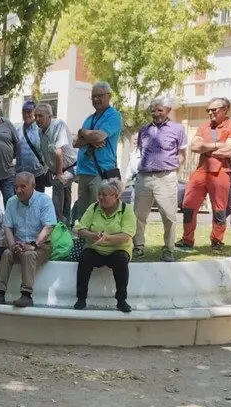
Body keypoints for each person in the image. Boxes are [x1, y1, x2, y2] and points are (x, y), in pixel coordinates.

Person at [179, 97, 231, 252]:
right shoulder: (204, 126)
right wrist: (216, 145)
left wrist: (205, 147)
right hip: (201, 170)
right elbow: (194, 147)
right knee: (188, 205)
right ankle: (187, 240)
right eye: (208, 110)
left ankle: (217, 241)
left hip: (222, 171)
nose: (210, 113)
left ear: (225, 109)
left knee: (219, 209)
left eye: (214, 110)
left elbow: (228, 151)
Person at [0, 172, 57, 307]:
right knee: (7, 254)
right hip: (19, 244)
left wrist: (33, 245)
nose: (19, 190)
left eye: (23, 186)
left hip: (41, 246)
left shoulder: (44, 200)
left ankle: (26, 295)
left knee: (29, 254)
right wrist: (12, 245)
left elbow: (48, 227)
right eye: (16, 186)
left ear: (33, 185)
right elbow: (7, 227)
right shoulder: (12, 202)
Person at [133, 96, 187, 262]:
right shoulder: (144, 129)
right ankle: (138, 247)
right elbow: (141, 151)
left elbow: (183, 154)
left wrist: (172, 169)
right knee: (138, 215)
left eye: (160, 110)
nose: (156, 114)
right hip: (144, 177)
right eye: (153, 110)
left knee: (169, 216)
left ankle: (168, 249)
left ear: (168, 111)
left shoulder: (178, 129)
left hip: (166, 176)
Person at [73, 181, 136, 313]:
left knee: (121, 260)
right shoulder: (94, 207)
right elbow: (79, 229)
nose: (101, 198)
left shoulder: (126, 210)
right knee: (85, 258)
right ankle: (81, 298)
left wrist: (107, 237)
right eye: (99, 194)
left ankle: (121, 300)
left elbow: (127, 236)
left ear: (115, 196)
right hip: (96, 249)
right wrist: (92, 234)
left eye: (105, 195)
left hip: (118, 249)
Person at [73, 82, 123, 224]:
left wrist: (83, 133)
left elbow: (99, 137)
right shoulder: (89, 118)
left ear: (109, 96)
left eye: (100, 96)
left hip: (101, 173)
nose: (96, 99)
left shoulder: (113, 116)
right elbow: (75, 143)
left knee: (99, 212)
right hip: (84, 172)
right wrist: (89, 138)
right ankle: (83, 244)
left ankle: (99, 244)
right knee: (83, 214)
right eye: (93, 97)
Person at [35, 103, 77, 224]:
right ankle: (65, 223)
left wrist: (58, 173)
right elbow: (47, 153)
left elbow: (59, 152)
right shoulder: (40, 131)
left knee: (58, 183)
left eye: (41, 116)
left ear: (50, 116)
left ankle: (57, 221)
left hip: (72, 166)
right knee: (66, 194)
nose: (37, 119)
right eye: (36, 116)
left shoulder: (58, 125)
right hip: (58, 168)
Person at [16, 101, 48, 191]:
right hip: (20, 174)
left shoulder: (41, 129)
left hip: (38, 174)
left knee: (38, 202)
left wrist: (45, 168)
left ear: (35, 112)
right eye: (24, 112)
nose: (26, 114)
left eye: (29, 111)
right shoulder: (17, 129)